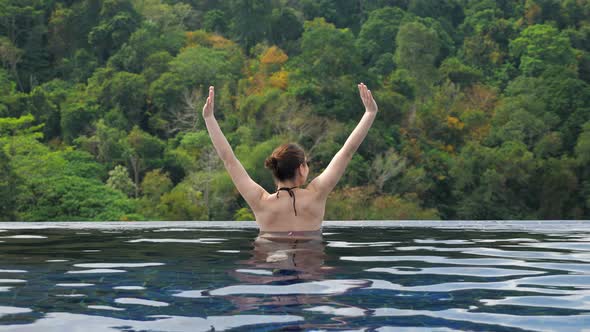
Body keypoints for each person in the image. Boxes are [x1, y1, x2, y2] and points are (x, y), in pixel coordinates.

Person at [202, 83, 378, 238]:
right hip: (310, 265)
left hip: (273, 262)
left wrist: (209, 119)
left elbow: (229, 160)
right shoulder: (317, 194)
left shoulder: (261, 202)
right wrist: (369, 113)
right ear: (301, 168)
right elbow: (347, 152)